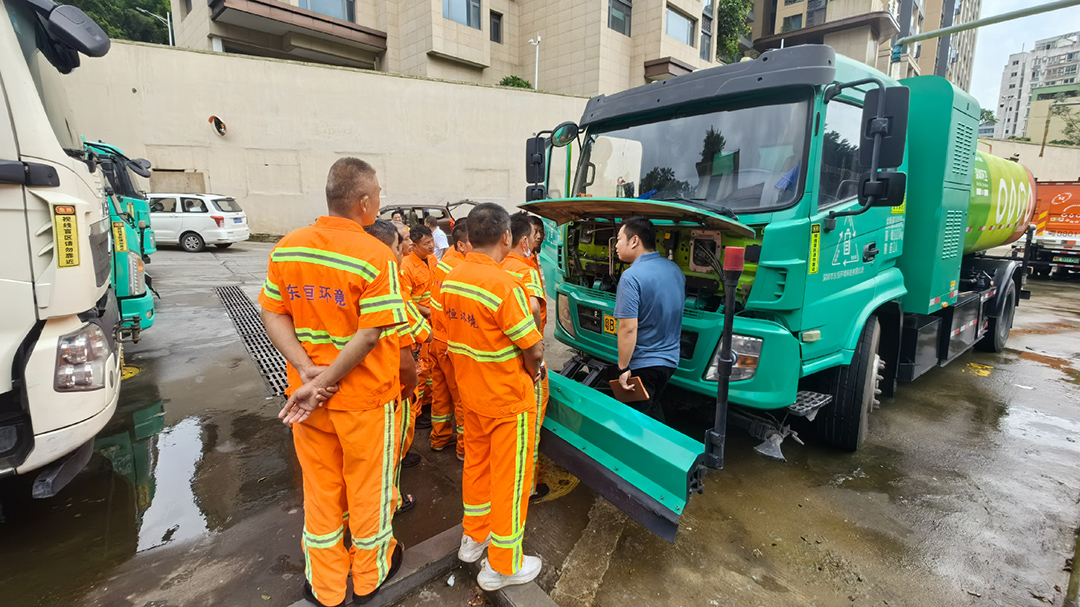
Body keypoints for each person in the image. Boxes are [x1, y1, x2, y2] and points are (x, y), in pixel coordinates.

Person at [260, 158, 407, 607]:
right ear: (364, 202)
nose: (379, 201)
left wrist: (306, 371)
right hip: (363, 400)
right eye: (378, 194)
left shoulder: (288, 248)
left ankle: (324, 587)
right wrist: (326, 377)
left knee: (321, 490)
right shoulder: (375, 255)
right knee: (368, 491)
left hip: (307, 399)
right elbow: (370, 335)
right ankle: (368, 577)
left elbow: (273, 312)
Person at [443, 203, 545, 591]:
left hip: (472, 395)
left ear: (469, 236)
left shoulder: (452, 277)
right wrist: (533, 375)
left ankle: (474, 539)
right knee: (511, 480)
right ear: (506, 237)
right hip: (507, 400)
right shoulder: (504, 285)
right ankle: (502, 565)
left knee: (477, 468)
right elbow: (532, 348)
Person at [365, 218, 428, 515]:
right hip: (388, 387)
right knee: (387, 452)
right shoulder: (387, 289)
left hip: (360, 387)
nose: (403, 249)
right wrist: (411, 386)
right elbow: (408, 348)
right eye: (398, 244)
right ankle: (392, 502)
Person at [612, 216, 685, 422]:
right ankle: (665, 450)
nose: (616, 245)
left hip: (643, 363)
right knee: (651, 409)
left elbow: (627, 328)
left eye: (619, 239)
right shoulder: (675, 270)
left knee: (633, 420)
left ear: (634, 241)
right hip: (669, 361)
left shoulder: (631, 276)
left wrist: (623, 368)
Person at [501, 213, 549, 501]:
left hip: (503, 356)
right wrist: (536, 350)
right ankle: (528, 486)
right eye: (534, 236)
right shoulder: (525, 269)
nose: (537, 240)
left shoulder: (500, 265)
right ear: (523, 240)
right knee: (531, 424)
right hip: (527, 353)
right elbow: (533, 307)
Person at [429, 219, 471, 459]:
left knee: (441, 393)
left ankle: (439, 438)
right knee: (462, 398)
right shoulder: (459, 269)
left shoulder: (446, 263)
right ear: (463, 244)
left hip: (438, 339)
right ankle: (464, 448)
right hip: (451, 344)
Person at [400, 224, 437, 430]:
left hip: (433, 322)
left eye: (431, 242)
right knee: (421, 369)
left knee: (431, 366)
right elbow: (406, 301)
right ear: (414, 245)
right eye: (426, 243)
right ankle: (418, 409)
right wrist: (426, 311)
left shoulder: (432, 260)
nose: (431, 246)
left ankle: (428, 405)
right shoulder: (406, 267)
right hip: (419, 323)